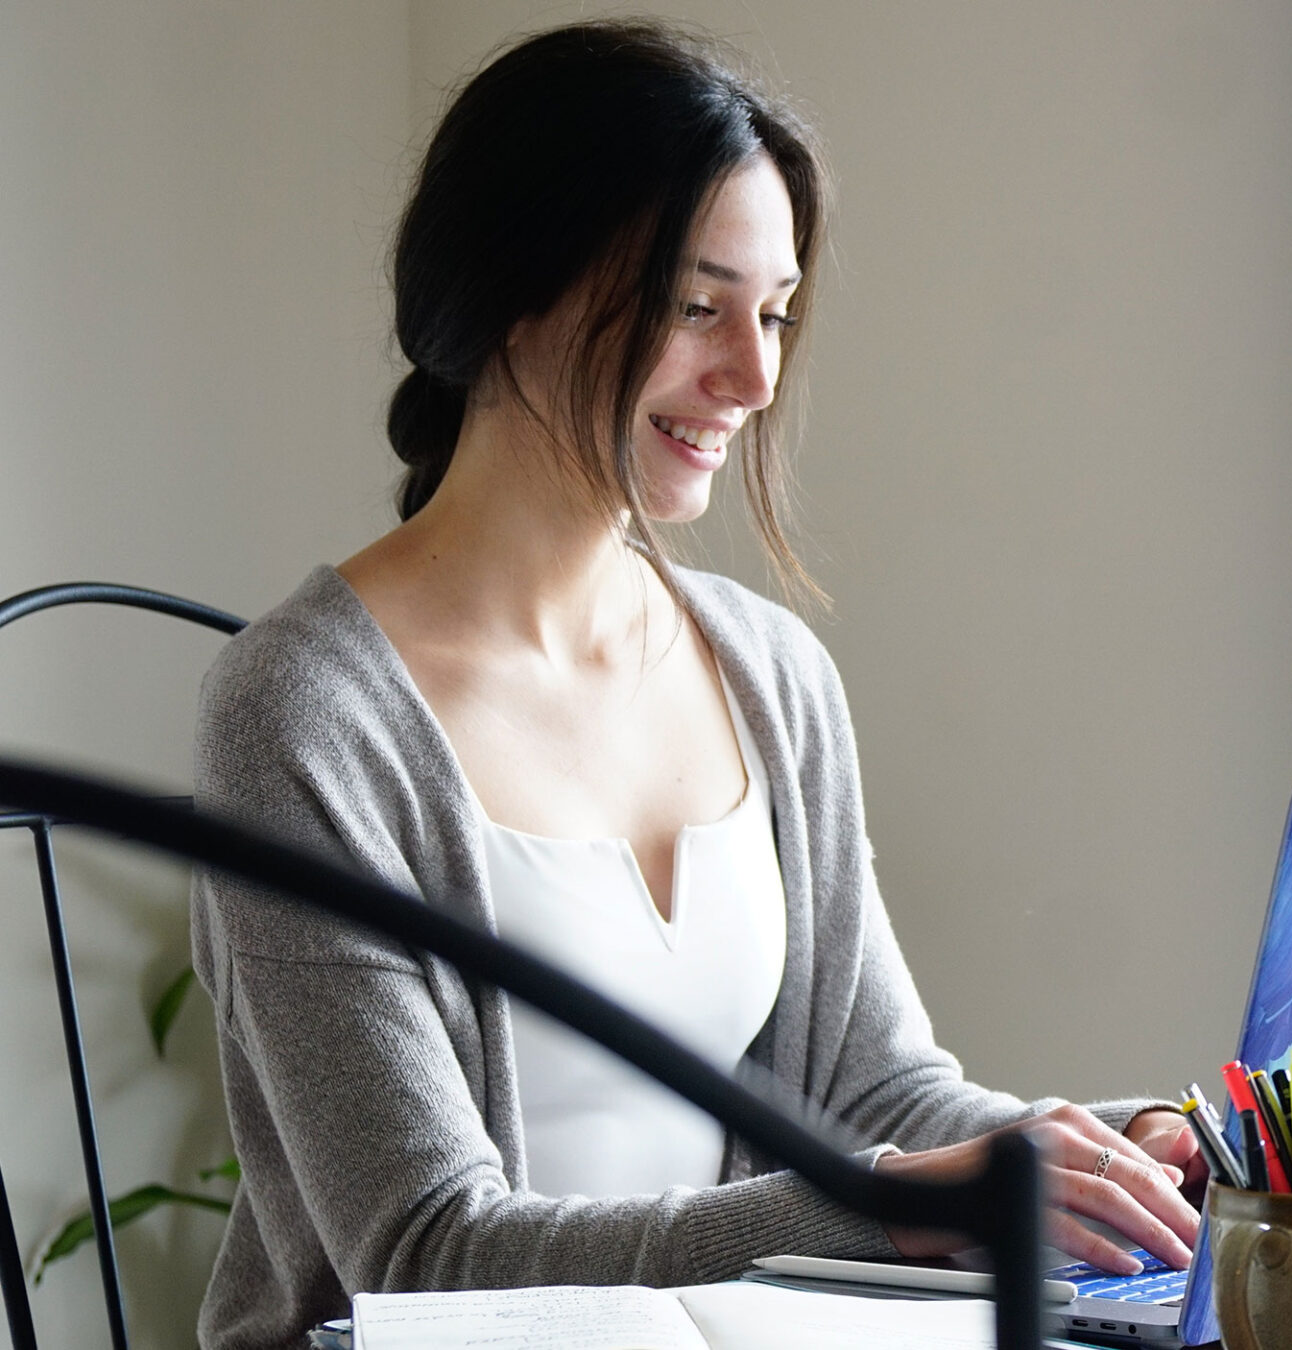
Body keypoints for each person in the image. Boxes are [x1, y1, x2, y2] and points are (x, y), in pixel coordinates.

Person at [188, 21, 1199, 1349]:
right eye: (695, 305)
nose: (756, 374)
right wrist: (866, 1202)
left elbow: (879, 1090)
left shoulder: (768, 671)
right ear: (514, 286)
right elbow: (423, 1252)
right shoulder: (303, 714)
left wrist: (1119, 1151)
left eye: (774, 312)